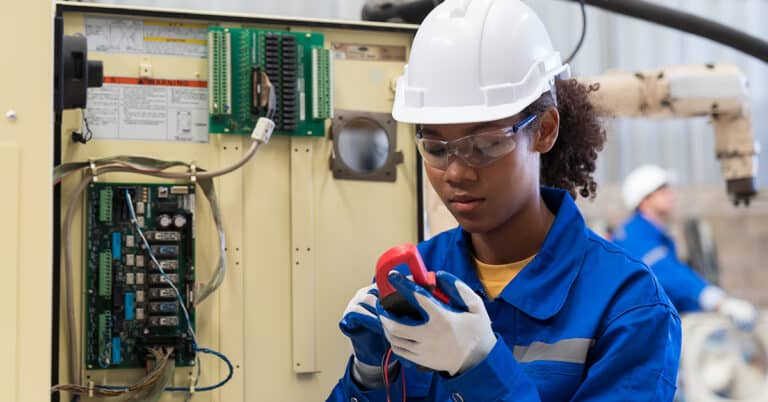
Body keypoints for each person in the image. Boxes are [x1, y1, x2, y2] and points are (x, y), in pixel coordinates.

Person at [328, 0, 681, 400]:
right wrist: (370, 380)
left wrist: (480, 370)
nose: (457, 172)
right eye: (437, 148)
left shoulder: (626, 304)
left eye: (484, 145)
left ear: (545, 130)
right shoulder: (421, 276)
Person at [613, 165, 757, 328]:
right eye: (663, 191)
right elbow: (670, 275)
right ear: (644, 200)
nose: (671, 195)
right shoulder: (634, 235)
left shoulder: (653, 234)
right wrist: (715, 299)